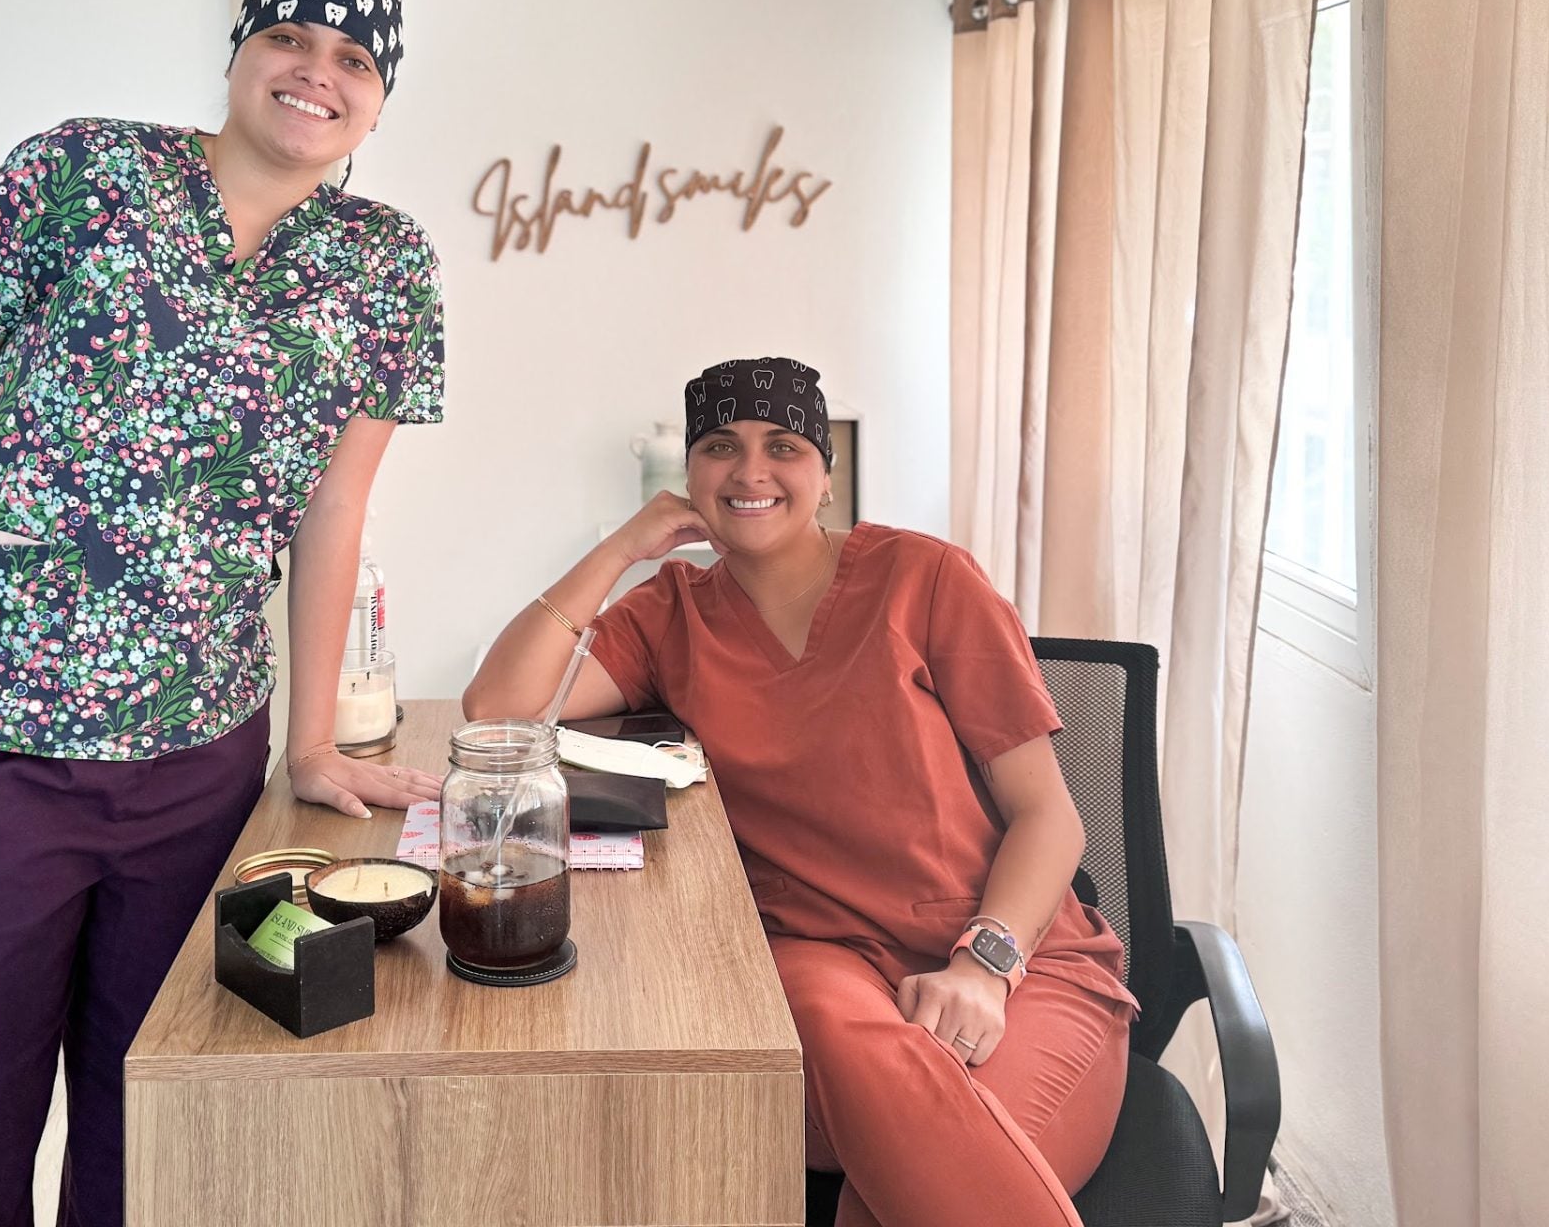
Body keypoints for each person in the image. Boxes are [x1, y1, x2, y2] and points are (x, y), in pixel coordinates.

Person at [0, 0, 445, 1227]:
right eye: (288, 37)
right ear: (240, 51)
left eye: (354, 59)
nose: (317, 72)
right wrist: (5, 555)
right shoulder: (84, 170)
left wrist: (311, 741)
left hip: (194, 760)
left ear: (381, 99)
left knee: (158, 1121)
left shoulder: (385, 263)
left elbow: (334, 506)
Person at [464, 357, 1137, 1227]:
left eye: (782, 446)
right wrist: (622, 548)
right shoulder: (670, 612)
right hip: (823, 963)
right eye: (720, 446)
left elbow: (1050, 818)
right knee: (838, 1046)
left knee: (895, 1198)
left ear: (825, 474)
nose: (750, 471)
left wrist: (983, 966)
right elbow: (499, 709)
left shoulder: (927, 578)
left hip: (1013, 962)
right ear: (689, 473)